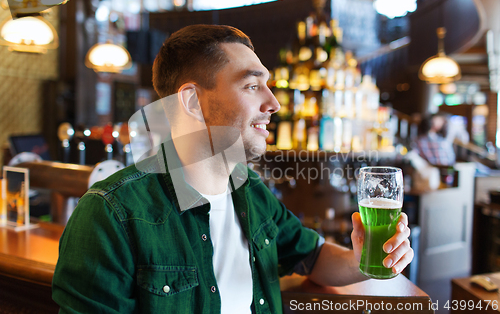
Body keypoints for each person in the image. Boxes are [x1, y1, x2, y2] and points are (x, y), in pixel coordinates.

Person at [52, 25, 413, 314]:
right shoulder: (111, 213)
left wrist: (368, 258)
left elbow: (312, 256)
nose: (273, 103)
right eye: (252, 85)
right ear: (192, 101)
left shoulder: (249, 190)